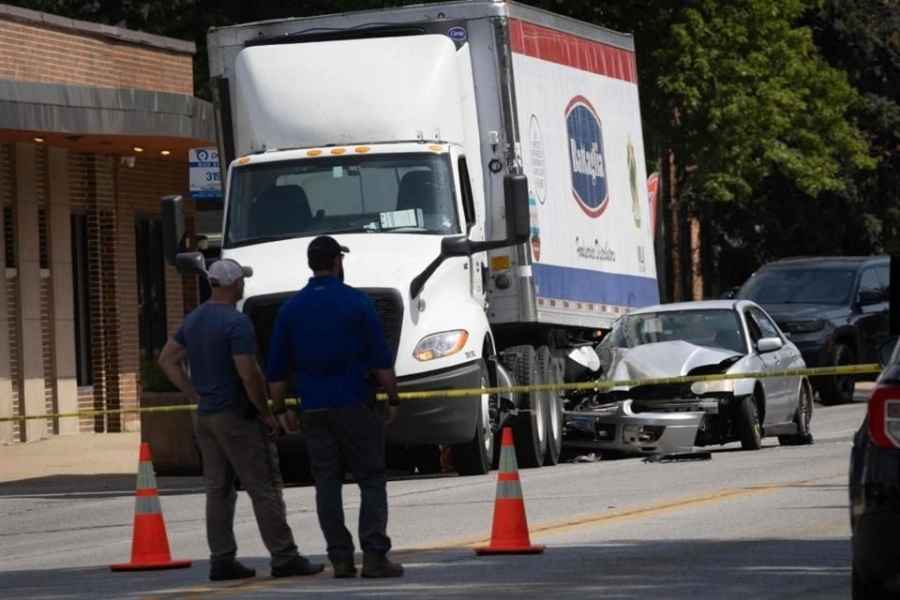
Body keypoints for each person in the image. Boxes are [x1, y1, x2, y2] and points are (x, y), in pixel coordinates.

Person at [158, 258, 324, 582]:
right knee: (263, 486)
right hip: (236, 417)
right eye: (242, 280)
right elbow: (249, 374)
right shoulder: (236, 323)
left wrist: (194, 394)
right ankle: (284, 556)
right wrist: (266, 412)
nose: (244, 284)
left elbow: (167, 360)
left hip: (205, 418)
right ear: (234, 284)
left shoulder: (193, 319)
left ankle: (222, 559)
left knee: (218, 490)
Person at [267, 236, 404, 579]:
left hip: (313, 409)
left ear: (311, 264)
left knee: (326, 483)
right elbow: (380, 361)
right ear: (337, 262)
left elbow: (278, 370)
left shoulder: (291, 309)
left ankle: (340, 559)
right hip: (356, 404)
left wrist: (281, 408)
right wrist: (393, 397)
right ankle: (374, 557)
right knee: (371, 479)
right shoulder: (357, 302)